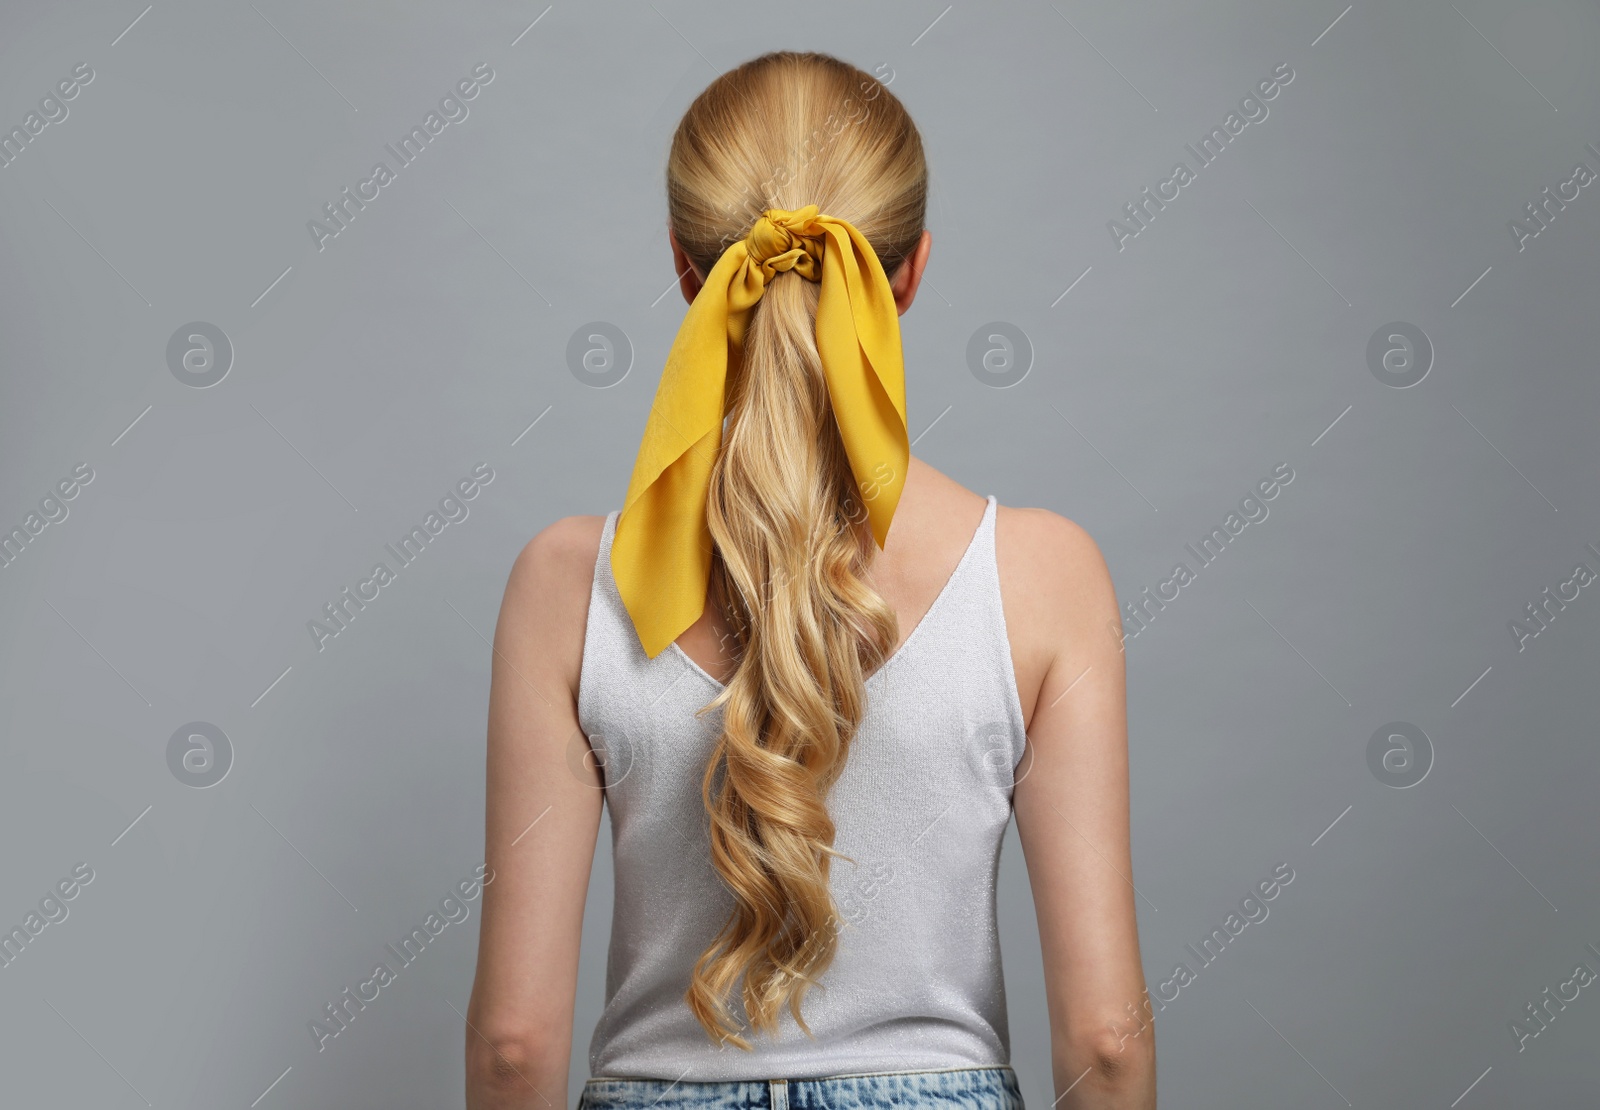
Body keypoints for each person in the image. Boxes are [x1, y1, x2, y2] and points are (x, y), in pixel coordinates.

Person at [465, 50, 1155, 1110]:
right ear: (911, 274)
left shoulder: (565, 584)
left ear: (688, 273)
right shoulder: (1043, 573)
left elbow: (515, 1044)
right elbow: (1106, 1041)